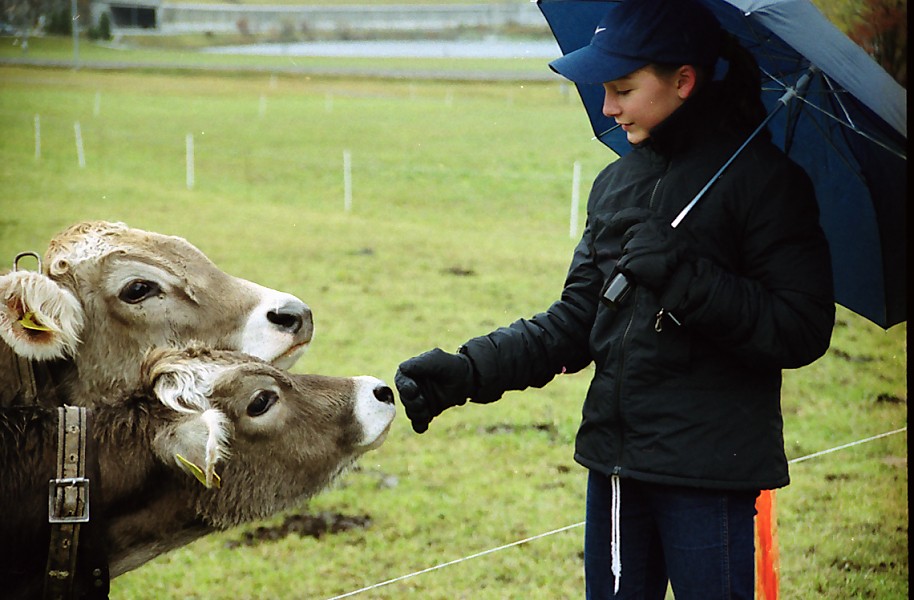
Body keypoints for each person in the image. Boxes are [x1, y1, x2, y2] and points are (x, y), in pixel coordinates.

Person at [394, 0, 835, 597]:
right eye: (605, 89)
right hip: (617, 468)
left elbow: (801, 328)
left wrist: (685, 277)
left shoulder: (767, 183)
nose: (607, 107)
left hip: (711, 476)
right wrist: (470, 371)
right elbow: (575, 321)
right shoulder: (617, 182)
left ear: (683, 81)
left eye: (624, 88)